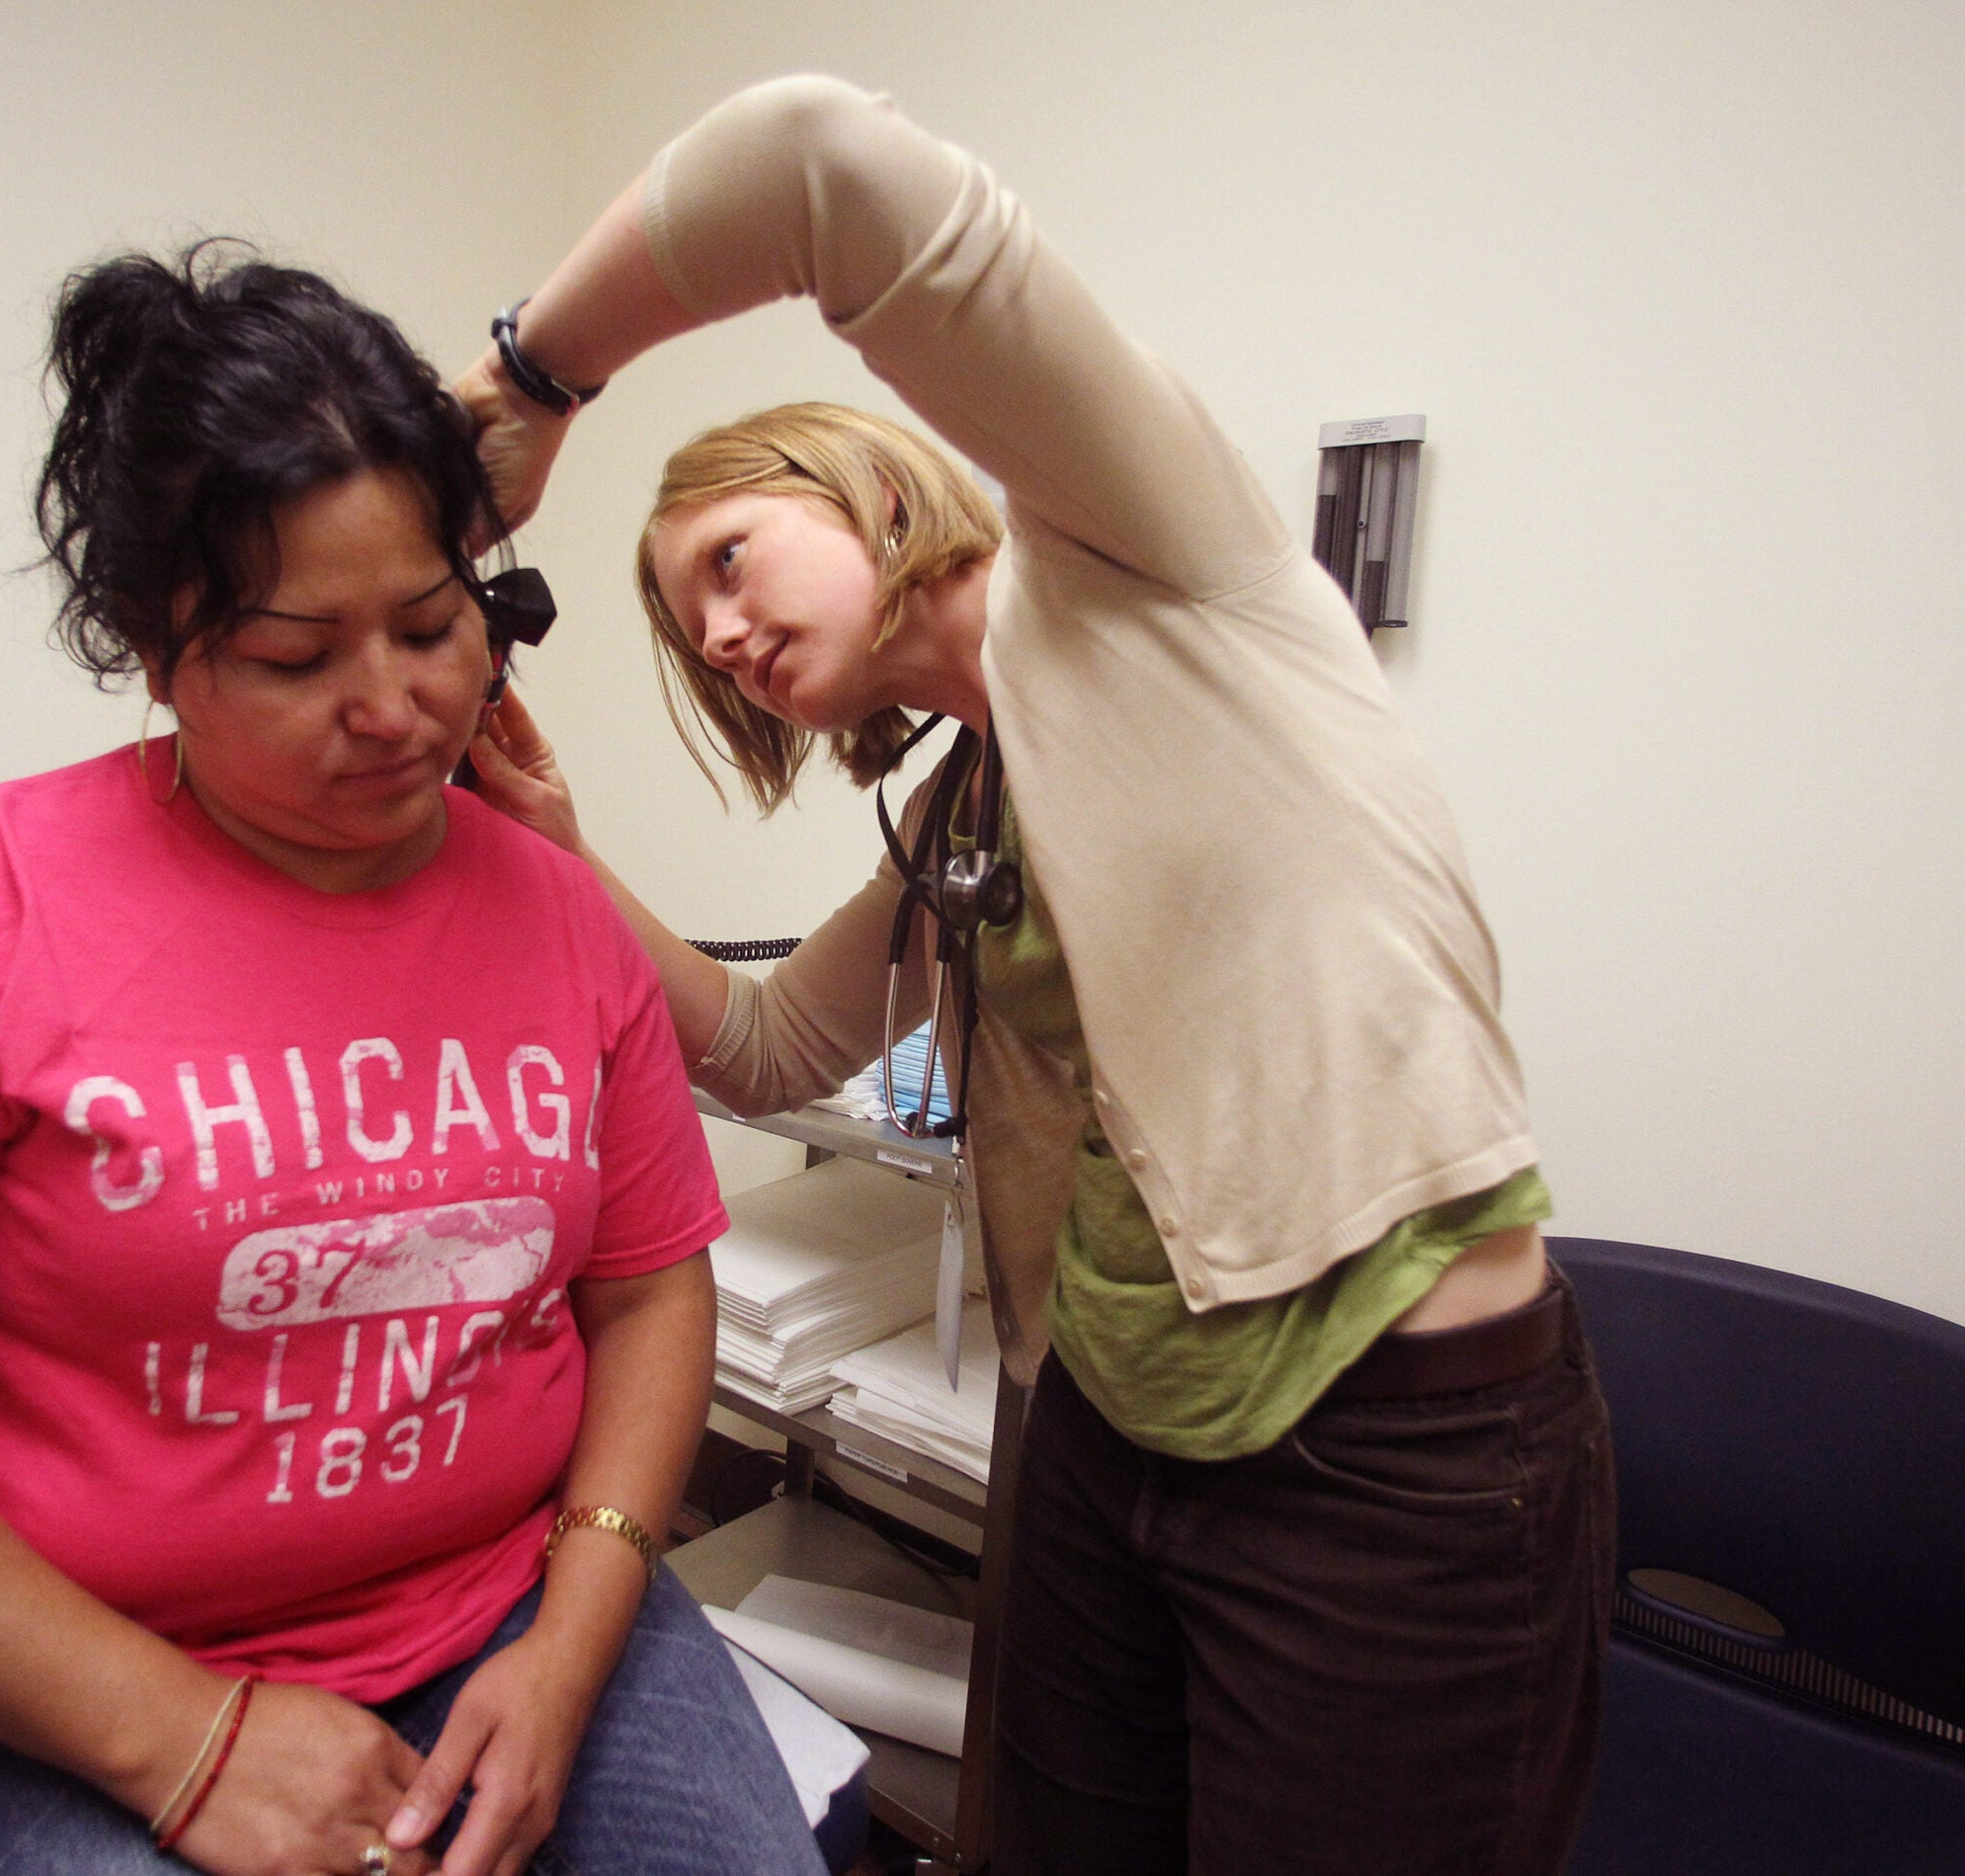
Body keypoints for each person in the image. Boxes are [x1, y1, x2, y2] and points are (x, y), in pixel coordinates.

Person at [452, 77, 1616, 1876]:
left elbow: (814, 167)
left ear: (856, 480)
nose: (727, 634)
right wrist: (554, 848)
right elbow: (772, 1050)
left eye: (731, 561)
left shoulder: (1152, 567)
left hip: (1383, 1450)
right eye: (697, 633)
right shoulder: (968, 809)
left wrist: (533, 385)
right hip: (1102, 1425)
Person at [0, 245, 828, 1876]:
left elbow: (646, 1293)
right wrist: (179, 1737)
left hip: (506, 1610)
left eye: (432, 626)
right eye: (294, 657)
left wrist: (573, 1634)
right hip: (41, 1682)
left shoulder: (559, 920)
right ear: (151, 641)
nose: (397, 707)